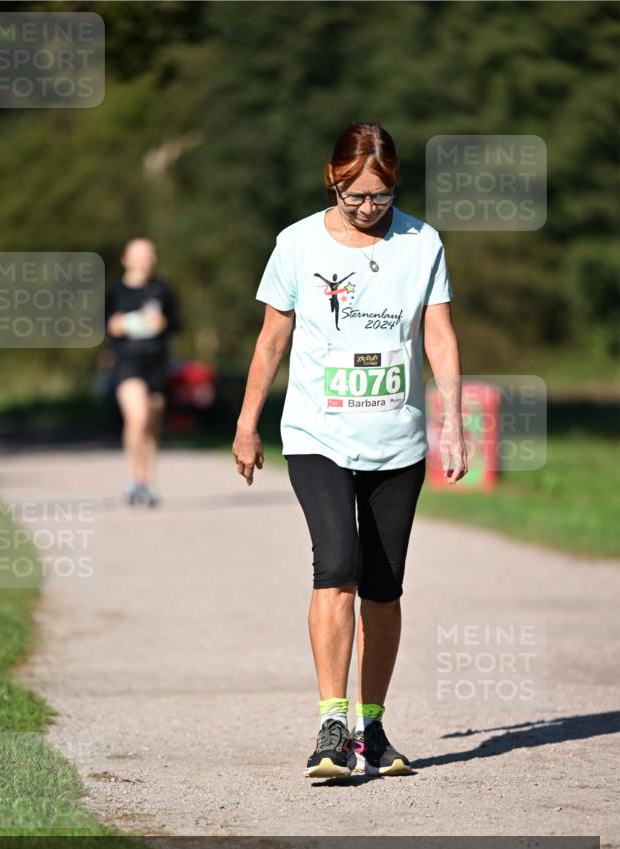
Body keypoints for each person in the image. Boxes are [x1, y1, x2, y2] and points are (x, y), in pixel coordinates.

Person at [232, 122, 467, 779]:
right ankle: (330, 724)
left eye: (380, 197)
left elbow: (439, 336)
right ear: (330, 179)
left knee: (384, 588)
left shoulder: (422, 243)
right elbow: (270, 342)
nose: (366, 209)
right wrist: (248, 422)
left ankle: (371, 724)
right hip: (317, 433)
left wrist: (450, 421)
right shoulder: (296, 244)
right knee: (335, 564)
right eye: (352, 196)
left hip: (396, 437)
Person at [105, 238, 179, 506]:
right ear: (125, 258)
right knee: (137, 418)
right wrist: (114, 326)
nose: (143, 260)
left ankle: (147, 481)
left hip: (156, 364)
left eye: (148, 255)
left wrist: (163, 324)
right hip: (127, 362)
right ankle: (133, 480)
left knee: (152, 424)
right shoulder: (113, 290)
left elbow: (176, 325)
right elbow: (101, 325)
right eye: (138, 255)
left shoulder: (162, 290)